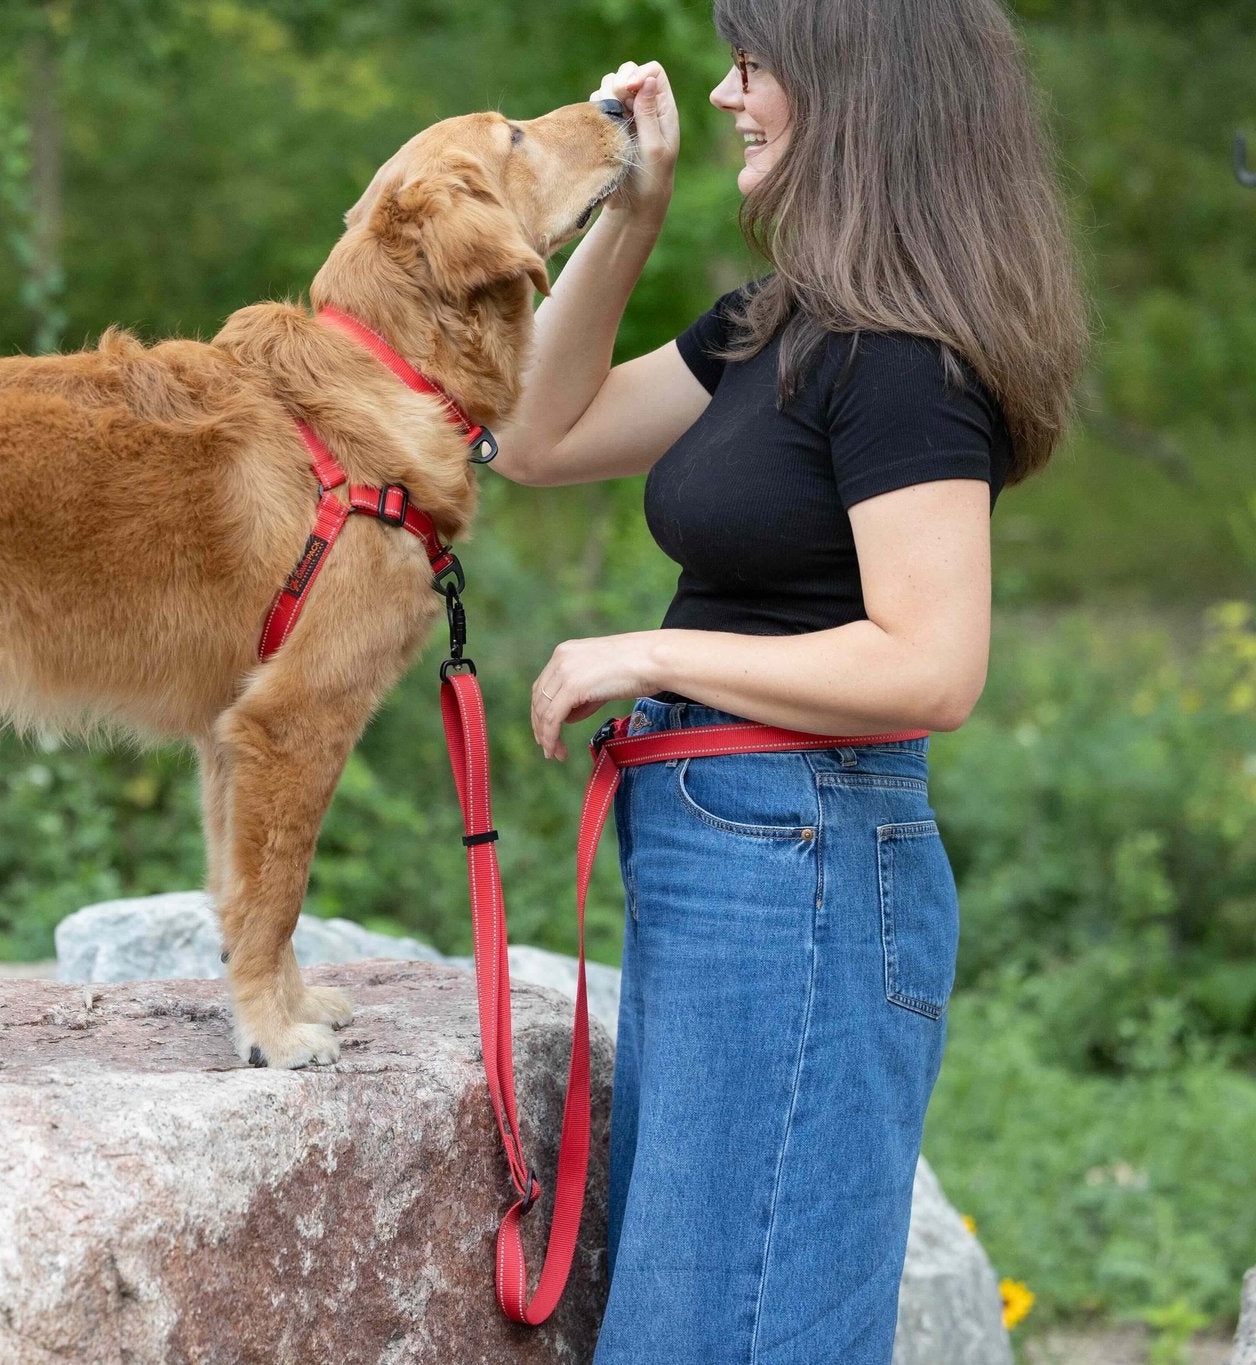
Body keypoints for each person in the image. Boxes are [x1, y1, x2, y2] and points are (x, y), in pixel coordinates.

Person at [491, 0, 1088, 1359]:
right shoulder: (781, 324)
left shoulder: (901, 356)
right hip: (743, 854)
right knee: (690, 1323)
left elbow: (933, 664)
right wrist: (627, 217)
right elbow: (532, 431)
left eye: (752, 64)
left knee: (726, 1331)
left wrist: (650, 651)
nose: (721, 93)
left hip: (800, 862)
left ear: (851, 88)